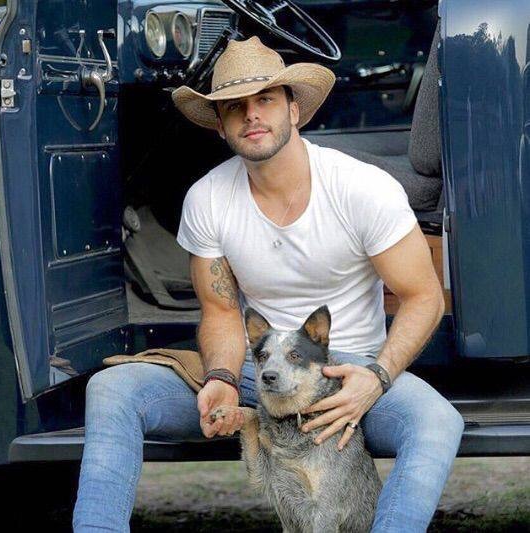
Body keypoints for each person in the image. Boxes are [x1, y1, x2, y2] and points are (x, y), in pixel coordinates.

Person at [73, 35, 464, 532]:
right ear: (220, 125)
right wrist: (221, 378)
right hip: (260, 370)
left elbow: (424, 297)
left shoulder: (362, 187)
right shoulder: (208, 199)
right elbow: (220, 312)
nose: (252, 115)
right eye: (235, 106)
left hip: (350, 372)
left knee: (437, 421)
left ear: (294, 110)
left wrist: (377, 377)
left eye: (265, 99)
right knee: (112, 388)